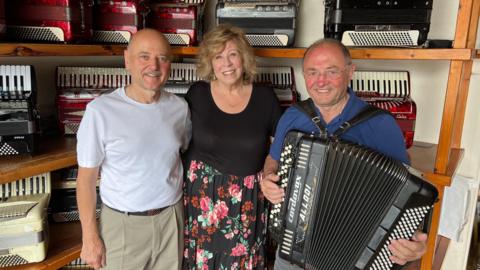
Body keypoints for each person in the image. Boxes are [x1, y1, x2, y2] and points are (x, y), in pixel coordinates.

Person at [260, 38, 428, 269]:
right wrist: (268, 178)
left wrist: (413, 241)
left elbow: (406, 191)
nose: (321, 81)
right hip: (292, 249)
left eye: (331, 71)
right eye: (312, 72)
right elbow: (273, 159)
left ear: (350, 72)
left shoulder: (381, 125)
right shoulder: (293, 116)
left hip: (351, 255)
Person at [76, 29, 191, 270]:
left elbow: (182, 155)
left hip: (171, 220)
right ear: (127, 59)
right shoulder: (100, 111)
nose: (154, 65)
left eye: (162, 58)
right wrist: (89, 236)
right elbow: (85, 180)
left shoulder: (180, 109)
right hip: (123, 226)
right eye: (144, 56)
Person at [182, 24, 282, 270]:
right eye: (218, 56)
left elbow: (280, 147)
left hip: (246, 206)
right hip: (202, 204)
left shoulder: (265, 98)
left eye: (232, 54)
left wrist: (270, 171)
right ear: (210, 62)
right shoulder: (197, 94)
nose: (226, 63)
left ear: (244, 58)